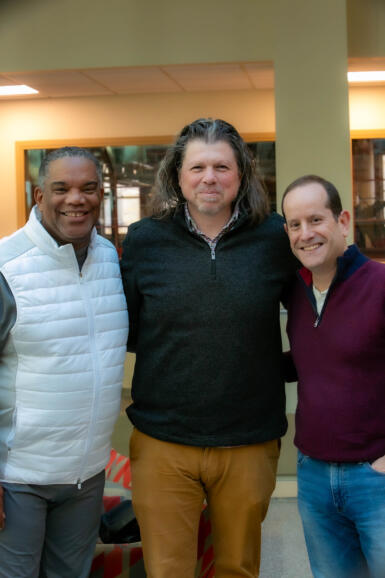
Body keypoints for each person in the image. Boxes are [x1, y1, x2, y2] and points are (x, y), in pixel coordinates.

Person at [121, 118, 297, 578]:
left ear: (241, 174)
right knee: (167, 571)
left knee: (238, 568)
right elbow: (132, 328)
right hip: (163, 440)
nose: (210, 178)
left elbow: (310, 323)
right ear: (178, 175)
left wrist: (272, 367)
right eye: (197, 167)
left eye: (222, 166)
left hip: (249, 438)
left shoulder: (276, 237)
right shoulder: (145, 240)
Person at [0, 147, 129, 578]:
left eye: (88, 188)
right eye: (62, 188)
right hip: (18, 477)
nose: (76, 199)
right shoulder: (7, 267)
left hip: (86, 473)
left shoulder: (109, 258)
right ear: (39, 196)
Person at [282, 174, 385, 578]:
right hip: (314, 479)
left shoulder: (379, 285)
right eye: (295, 224)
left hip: (375, 480)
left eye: (316, 220)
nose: (306, 234)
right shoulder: (296, 291)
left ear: (342, 222)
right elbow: (313, 359)